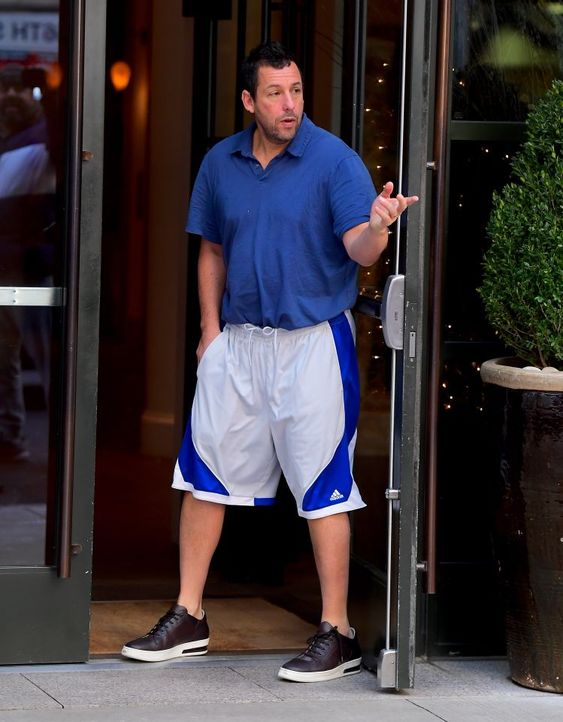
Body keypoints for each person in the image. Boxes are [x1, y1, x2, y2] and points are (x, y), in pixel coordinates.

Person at [122, 41, 418, 682]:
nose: (291, 105)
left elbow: (361, 252)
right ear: (250, 101)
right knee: (204, 475)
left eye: (298, 91)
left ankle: (337, 631)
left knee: (323, 486)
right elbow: (212, 250)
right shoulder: (220, 163)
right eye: (277, 94)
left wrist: (379, 224)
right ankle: (189, 614)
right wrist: (209, 333)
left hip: (312, 343)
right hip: (239, 344)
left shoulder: (334, 162)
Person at [0, 64, 55, 462]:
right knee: (6, 358)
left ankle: (62, 444)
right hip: (9, 267)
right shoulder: (7, 145)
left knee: (46, 355)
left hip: (35, 270)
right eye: (6, 88)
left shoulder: (46, 139)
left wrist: (51, 87)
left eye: (21, 89)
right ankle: (10, 435)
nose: (12, 95)